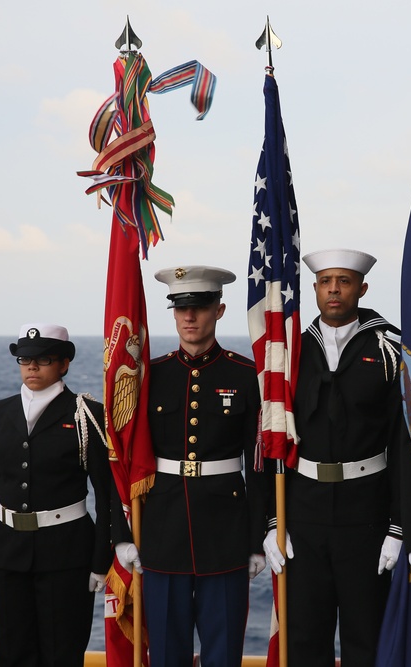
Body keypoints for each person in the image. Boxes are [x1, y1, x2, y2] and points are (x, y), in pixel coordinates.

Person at [262, 248, 411, 667]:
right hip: (303, 514)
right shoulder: (290, 353)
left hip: (366, 515)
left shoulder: (391, 349)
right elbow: (267, 440)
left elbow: (406, 444)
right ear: (314, 289)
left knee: (365, 638)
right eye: (326, 282)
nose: (334, 290)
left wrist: (398, 524)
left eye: (344, 281)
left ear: (362, 288)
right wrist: (273, 521)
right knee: (304, 639)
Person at [111, 265, 265, 667]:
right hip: (163, 531)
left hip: (225, 533)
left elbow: (259, 465)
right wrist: (123, 533)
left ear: (219, 309)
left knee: (224, 651)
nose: (190, 316)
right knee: (165, 652)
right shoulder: (150, 377)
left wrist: (256, 539)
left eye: (199, 306)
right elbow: (125, 458)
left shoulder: (245, 375)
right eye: (181, 308)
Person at [0, 323, 112, 667]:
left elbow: (108, 495)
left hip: (66, 554)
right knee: (10, 653)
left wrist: (100, 561)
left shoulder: (86, 414)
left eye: (43, 359)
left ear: (64, 364)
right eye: (24, 359)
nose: (31, 366)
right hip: (7, 553)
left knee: (60, 654)